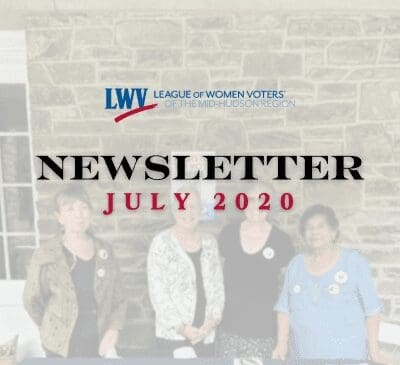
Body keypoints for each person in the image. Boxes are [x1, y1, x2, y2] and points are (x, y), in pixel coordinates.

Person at [273, 204, 391, 364]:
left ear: (333, 231)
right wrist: (281, 345)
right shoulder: (296, 264)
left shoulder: (353, 261)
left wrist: (374, 352)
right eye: (309, 228)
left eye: (321, 226)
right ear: (303, 234)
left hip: (347, 357)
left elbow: (372, 311)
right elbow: (283, 310)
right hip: (303, 357)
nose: (314, 232)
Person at [23, 185, 127, 358]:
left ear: (91, 213)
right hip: (61, 347)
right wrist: (53, 325)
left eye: (83, 207)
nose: (78, 215)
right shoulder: (45, 255)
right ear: (59, 217)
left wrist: (113, 329)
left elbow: (119, 298)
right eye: (70, 209)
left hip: (99, 342)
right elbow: (31, 300)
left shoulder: (105, 252)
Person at [217, 183, 294, 358]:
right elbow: (215, 280)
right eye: (251, 199)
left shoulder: (281, 241)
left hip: (263, 331)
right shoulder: (228, 234)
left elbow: (286, 292)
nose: (256, 205)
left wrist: (282, 339)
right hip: (229, 328)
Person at [147, 187, 224, 357]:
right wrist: (182, 328)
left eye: (193, 206)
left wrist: (211, 323)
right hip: (173, 337)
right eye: (182, 206)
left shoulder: (210, 243)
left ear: (201, 209)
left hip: (205, 336)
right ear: (174, 210)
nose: (187, 212)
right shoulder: (162, 243)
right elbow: (158, 293)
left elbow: (218, 288)